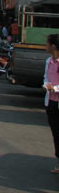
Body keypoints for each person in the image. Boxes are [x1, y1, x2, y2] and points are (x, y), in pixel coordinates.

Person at [43, 33, 59, 174]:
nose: (45, 46)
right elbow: (46, 77)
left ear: (53, 46)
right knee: (56, 133)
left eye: (47, 43)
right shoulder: (49, 61)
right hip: (51, 103)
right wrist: (46, 84)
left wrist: (55, 88)